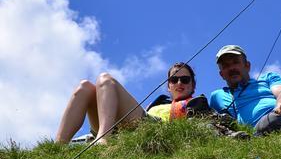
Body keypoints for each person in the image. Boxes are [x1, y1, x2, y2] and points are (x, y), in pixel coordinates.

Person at [55, 62, 196, 144]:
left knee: (105, 79)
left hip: (154, 129)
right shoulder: (158, 103)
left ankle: (104, 139)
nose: (179, 83)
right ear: (168, 85)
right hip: (121, 125)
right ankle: (57, 148)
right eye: (173, 80)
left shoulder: (196, 103)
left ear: (193, 85)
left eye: (184, 79)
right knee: (84, 86)